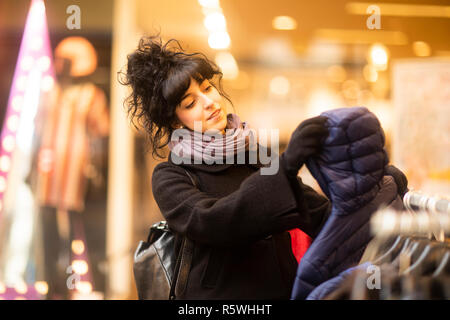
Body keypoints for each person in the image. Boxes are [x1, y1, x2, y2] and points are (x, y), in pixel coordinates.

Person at [119, 35, 331, 299]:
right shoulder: (171, 176)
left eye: (207, 88)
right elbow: (214, 222)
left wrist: (371, 195)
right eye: (190, 103)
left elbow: (317, 213)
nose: (208, 102)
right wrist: (284, 168)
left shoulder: (255, 154)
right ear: (175, 123)